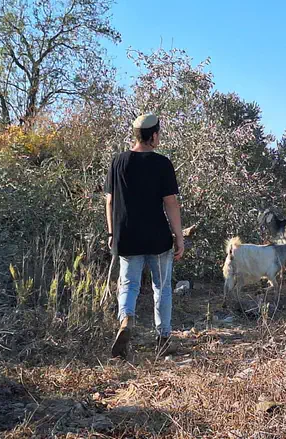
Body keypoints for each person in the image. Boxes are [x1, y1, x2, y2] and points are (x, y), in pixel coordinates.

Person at [104, 113, 184, 359]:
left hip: (126, 236)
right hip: (158, 237)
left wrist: (111, 233)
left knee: (128, 285)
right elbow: (170, 203)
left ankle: (126, 319)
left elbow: (109, 201)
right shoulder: (162, 163)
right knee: (162, 288)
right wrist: (179, 236)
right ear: (155, 135)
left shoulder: (118, 162)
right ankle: (163, 337)